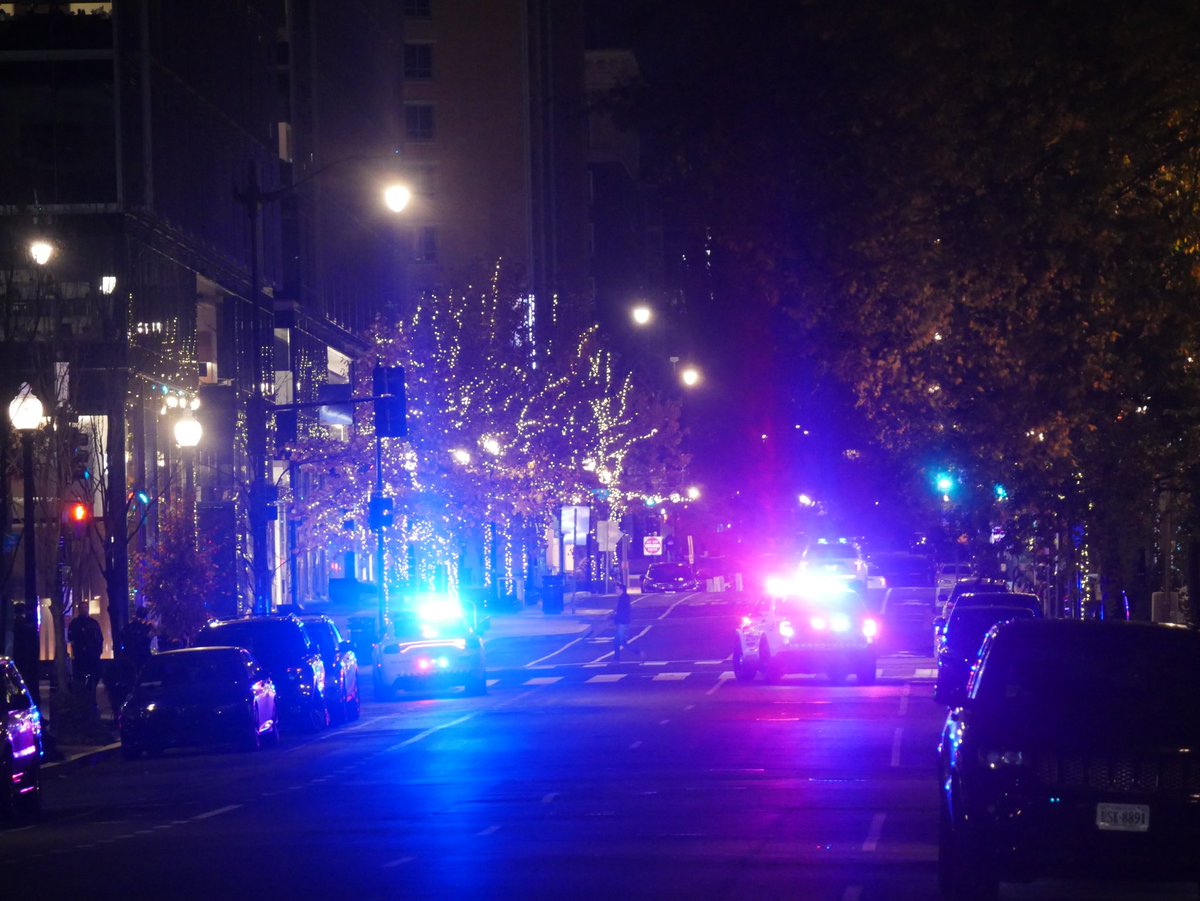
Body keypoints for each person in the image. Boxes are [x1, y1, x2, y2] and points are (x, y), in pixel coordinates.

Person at [67, 609, 104, 690]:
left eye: (85, 608)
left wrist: (99, 650)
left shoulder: (93, 623)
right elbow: (71, 637)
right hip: (80, 654)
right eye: (82, 608)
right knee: (80, 676)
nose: (84, 610)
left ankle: (90, 690)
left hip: (92, 653)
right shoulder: (75, 623)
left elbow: (100, 637)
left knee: (95, 674)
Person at [612, 585, 641, 662]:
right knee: (617, 641)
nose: (616, 590)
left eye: (617, 589)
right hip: (622, 623)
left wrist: (616, 617)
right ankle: (616, 658)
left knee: (622, 642)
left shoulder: (623, 599)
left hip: (622, 623)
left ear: (621, 590)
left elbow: (622, 612)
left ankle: (636, 652)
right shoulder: (623, 598)